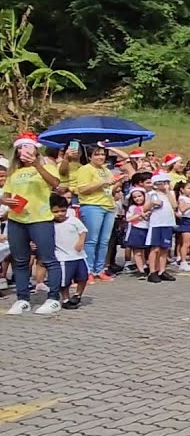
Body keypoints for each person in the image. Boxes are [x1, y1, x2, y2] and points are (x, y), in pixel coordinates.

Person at [4, 133, 64, 315]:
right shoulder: (14, 172)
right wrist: (5, 202)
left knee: (48, 259)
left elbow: (55, 183)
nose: (24, 151)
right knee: (20, 261)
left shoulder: (46, 166)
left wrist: (37, 164)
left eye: (27, 147)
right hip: (17, 219)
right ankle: (23, 299)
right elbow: (5, 195)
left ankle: (54, 298)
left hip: (40, 219)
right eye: (20, 148)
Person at [72, 144, 122, 282]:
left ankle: (99, 269)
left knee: (104, 241)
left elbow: (110, 189)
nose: (101, 157)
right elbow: (82, 189)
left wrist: (119, 181)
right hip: (92, 206)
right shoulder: (85, 169)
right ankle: (87, 271)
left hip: (108, 205)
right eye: (97, 154)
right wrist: (103, 182)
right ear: (89, 156)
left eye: (102, 154)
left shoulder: (106, 170)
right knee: (91, 240)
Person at [51, 194, 89, 310]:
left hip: (79, 255)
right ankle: (66, 299)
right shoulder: (49, 224)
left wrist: (81, 242)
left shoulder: (73, 220)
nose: (60, 214)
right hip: (63, 257)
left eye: (63, 210)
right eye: (56, 211)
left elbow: (83, 231)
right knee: (65, 281)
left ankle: (77, 295)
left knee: (84, 277)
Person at [143, 172, 177, 283]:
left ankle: (162, 270)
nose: (165, 185)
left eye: (167, 182)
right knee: (155, 248)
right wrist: (152, 203)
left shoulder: (170, 193)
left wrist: (168, 191)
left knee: (164, 248)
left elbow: (174, 205)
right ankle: (152, 271)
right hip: (156, 223)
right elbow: (145, 208)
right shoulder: (152, 194)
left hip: (167, 223)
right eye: (162, 183)